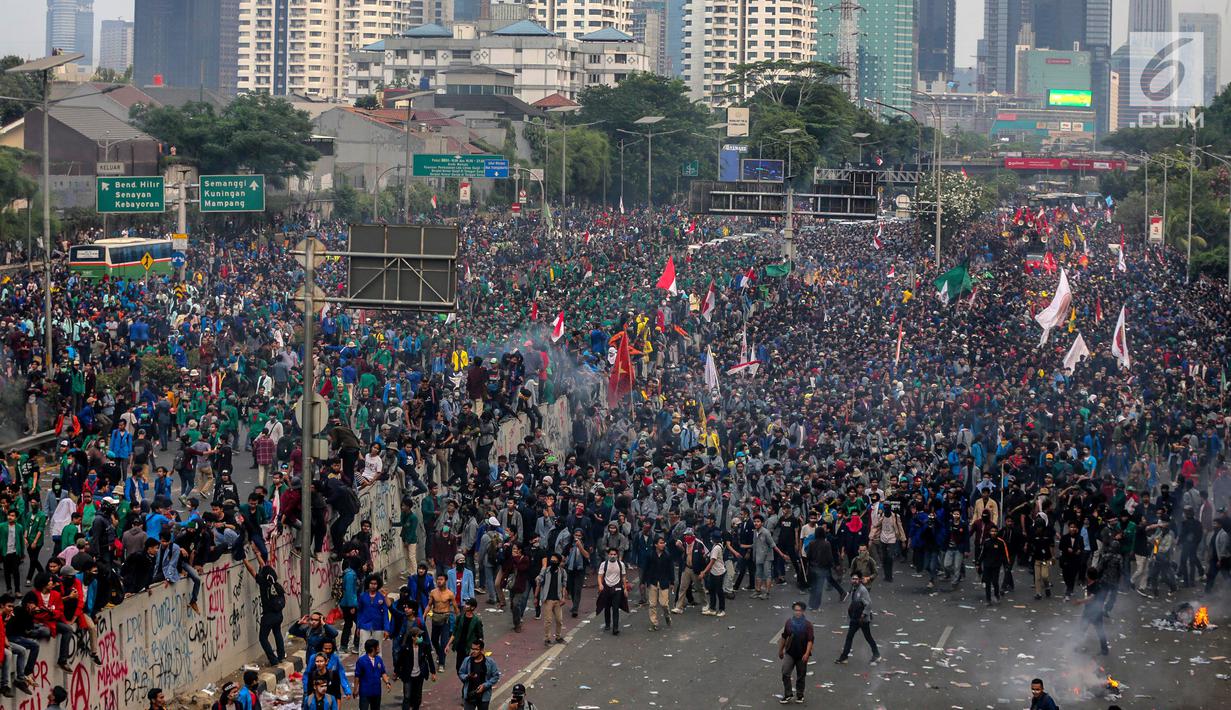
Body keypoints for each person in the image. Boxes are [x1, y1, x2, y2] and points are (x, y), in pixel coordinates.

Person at [244, 557, 287, 666]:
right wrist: (258, 554)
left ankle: (273, 660)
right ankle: (281, 656)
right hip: (279, 615)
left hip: (268, 617)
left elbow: (252, 571)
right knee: (277, 633)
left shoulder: (263, 584)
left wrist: (244, 559)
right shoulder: (277, 586)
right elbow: (265, 567)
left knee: (263, 638)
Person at [835, 572, 880, 665]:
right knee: (849, 637)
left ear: (860, 580)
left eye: (856, 579)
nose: (854, 581)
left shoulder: (862, 590)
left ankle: (877, 655)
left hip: (862, 619)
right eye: (853, 579)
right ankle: (844, 657)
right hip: (855, 618)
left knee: (868, 637)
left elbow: (869, 604)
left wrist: (863, 615)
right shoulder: (853, 588)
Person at [777, 601, 814, 704]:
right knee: (785, 672)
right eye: (795, 610)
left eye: (799, 610)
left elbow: (810, 640)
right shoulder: (789, 623)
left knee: (801, 675)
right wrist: (780, 650)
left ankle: (800, 694)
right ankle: (788, 694)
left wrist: (807, 653)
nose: (797, 612)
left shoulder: (807, 625)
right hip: (790, 653)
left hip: (802, 654)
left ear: (803, 611)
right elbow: (784, 637)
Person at [393, 623, 436, 710]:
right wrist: (396, 672)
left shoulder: (424, 646)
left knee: (417, 698)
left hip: (419, 675)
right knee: (407, 697)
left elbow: (430, 659)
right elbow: (399, 661)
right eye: (418, 636)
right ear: (413, 638)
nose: (421, 637)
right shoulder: (405, 648)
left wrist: (433, 672)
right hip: (408, 675)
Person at [1072, 566, 1110, 656]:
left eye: (1086, 574)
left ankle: (1104, 650)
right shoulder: (1091, 583)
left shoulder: (1096, 586)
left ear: (1089, 576)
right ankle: (1078, 646)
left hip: (1094, 612)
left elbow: (1091, 598)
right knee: (1083, 628)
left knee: (1099, 630)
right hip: (1090, 610)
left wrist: (1079, 601)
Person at [535, 552, 568, 645]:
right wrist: (536, 597)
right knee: (548, 620)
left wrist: (563, 598)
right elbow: (539, 580)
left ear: (558, 562)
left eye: (555, 561)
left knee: (559, 620)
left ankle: (558, 636)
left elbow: (564, 585)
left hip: (558, 599)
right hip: (548, 599)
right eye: (551, 560)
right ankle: (547, 639)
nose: (552, 562)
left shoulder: (562, 572)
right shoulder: (545, 571)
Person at [458, 639, 500, 710]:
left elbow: (496, 676)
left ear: (482, 650)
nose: (473, 651)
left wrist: (484, 685)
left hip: (483, 697)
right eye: (472, 649)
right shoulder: (467, 661)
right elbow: (461, 673)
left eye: (476, 649)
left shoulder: (490, 662)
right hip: (470, 695)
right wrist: (467, 676)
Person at [596, 546, 629, 634]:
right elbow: (600, 576)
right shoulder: (604, 564)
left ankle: (615, 628)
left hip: (617, 588)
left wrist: (625, 588)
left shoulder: (621, 564)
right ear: (608, 555)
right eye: (611, 554)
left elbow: (624, 576)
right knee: (607, 607)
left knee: (615, 608)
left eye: (614, 554)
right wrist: (600, 585)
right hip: (606, 587)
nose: (613, 556)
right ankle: (607, 624)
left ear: (617, 555)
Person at [643, 537, 674, 631]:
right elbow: (646, 568)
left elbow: (671, 569)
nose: (663, 544)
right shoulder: (650, 555)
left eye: (664, 543)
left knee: (664, 604)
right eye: (661, 543)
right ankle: (654, 623)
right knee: (652, 604)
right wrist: (643, 581)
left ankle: (667, 616)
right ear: (656, 544)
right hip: (652, 582)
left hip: (664, 582)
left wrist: (672, 582)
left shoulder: (667, 555)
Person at [353, 638, 391, 710]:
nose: (379, 648)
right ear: (373, 648)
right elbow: (357, 676)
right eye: (377, 647)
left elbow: (383, 672)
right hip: (365, 692)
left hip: (376, 691)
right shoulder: (361, 660)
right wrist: (355, 689)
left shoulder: (379, 659)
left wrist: (387, 682)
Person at [449, 598, 484, 674]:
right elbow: (454, 633)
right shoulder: (460, 617)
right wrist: (448, 645)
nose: (465, 606)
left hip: (469, 647)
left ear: (472, 608)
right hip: (459, 646)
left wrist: (480, 649)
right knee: (458, 667)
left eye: (467, 604)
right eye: (465, 604)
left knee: (467, 667)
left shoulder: (476, 621)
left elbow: (480, 636)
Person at [700, 530, 727, 617]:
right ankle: (712, 608)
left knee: (719, 591)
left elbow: (712, 562)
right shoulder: (717, 545)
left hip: (718, 572)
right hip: (714, 572)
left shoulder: (716, 548)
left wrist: (704, 572)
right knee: (712, 590)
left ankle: (722, 609)